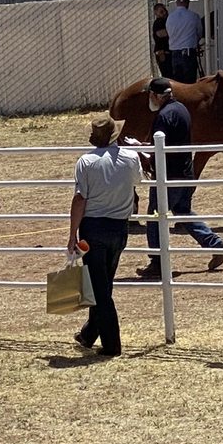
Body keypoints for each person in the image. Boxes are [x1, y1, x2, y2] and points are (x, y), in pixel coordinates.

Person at [136, 77, 223, 278]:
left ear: (156, 95)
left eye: (150, 94)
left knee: (154, 217)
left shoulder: (163, 116)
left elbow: (160, 149)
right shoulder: (181, 109)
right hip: (185, 171)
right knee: (182, 211)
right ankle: (215, 243)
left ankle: (158, 261)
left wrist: (143, 151)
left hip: (168, 174)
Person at [67, 116, 143, 357]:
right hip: (120, 227)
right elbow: (137, 181)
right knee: (104, 283)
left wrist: (72, 234)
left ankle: (112, 345)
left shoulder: (86, 162)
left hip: (93, 228)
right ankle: (90, 334)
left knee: (100, 289)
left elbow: (80, 199)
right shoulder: (131, 158)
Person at [165, 0, 204, 84]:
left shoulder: (170, 17)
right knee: (189, 82)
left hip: (174, 53)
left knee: (177, 83)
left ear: (177, 2)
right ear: (188, 3)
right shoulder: (194, 16)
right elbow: (199, 33)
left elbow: (169, 32)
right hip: (189, 53)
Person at [152, 3, 172, 78]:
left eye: (165, 10)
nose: (164, 13)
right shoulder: (158, 23)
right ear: (156, 13)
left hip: (168, 52)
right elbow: (161, 33)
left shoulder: (167, 21)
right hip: (163, 53)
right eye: (161, 11)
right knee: (167, 75)